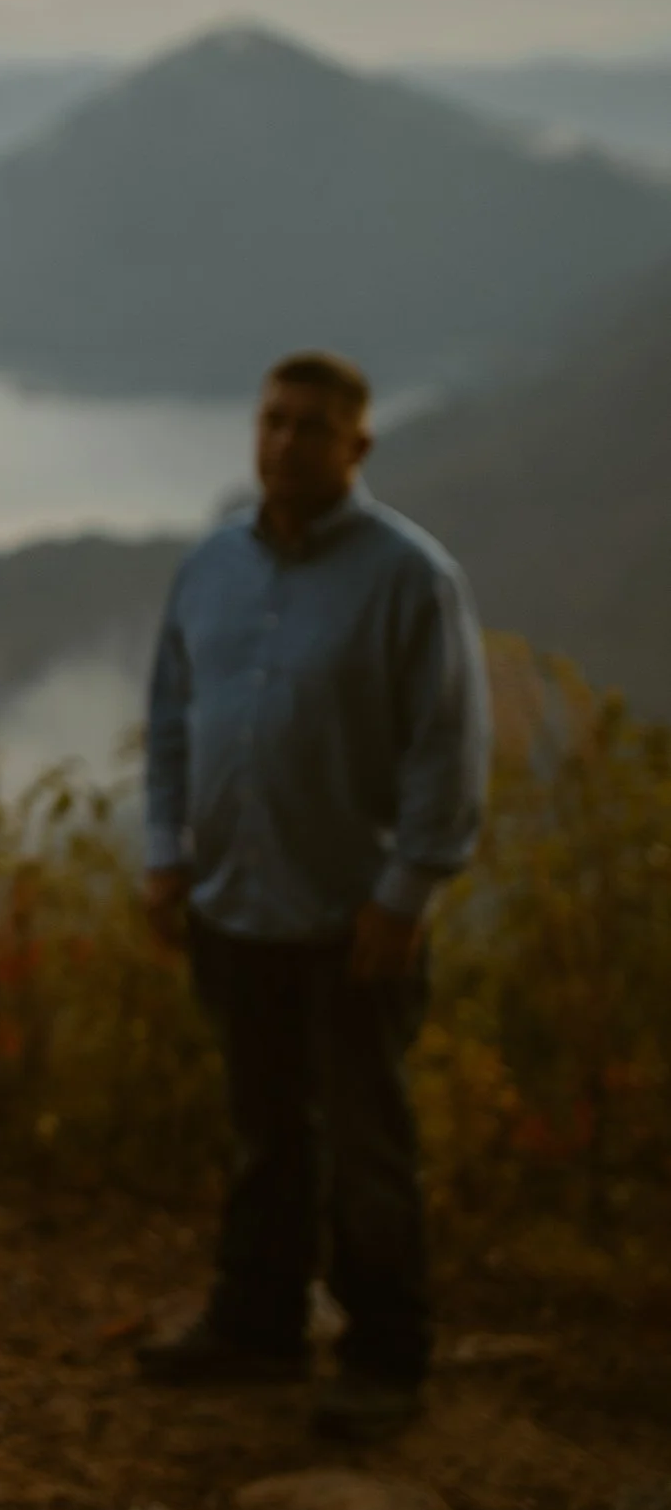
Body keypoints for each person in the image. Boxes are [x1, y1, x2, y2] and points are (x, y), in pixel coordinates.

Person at [137, 350, 490, 1443]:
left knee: (365, 1143)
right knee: (263, 1131)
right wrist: (164, 854)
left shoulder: (408, 576)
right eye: (273, 421)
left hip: (353, 920)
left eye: (311, 428)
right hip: (232, 904)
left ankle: (384, 1355)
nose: (285, 443)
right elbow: (169, 721)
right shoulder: (208, 568)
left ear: (358, 446)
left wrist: (406, 892)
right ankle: (257, 1325)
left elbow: (447, 747)